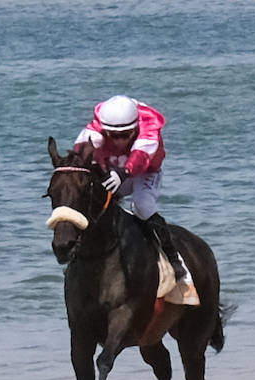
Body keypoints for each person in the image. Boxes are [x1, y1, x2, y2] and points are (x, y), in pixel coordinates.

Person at [73, 94, 186, 280]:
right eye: (113, 136)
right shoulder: (95, 130)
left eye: (125, 135)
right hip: (112, 171)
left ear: (135, 128)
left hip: (145, 171)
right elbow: (79, 156)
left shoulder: (149, 127)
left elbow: (141, 156)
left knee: (142, 206)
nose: (119, 141)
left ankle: (173, 258)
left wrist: (123, 172)